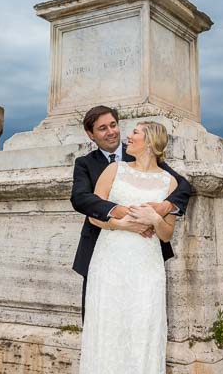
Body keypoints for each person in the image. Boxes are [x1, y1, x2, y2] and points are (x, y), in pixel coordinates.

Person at [71, 118, 180, 374]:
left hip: (146, 268)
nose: (125, 136)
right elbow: (94, 213)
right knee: (109, 346)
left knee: (141, 349)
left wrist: (155, 216)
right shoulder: (114, 169)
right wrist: (125, 223)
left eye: (132, 133)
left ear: (148, 141)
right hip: (110, 263)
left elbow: (167, 233)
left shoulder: (170, 183)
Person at [71, 105, 192, 322]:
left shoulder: (141, 151)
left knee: (140, 317)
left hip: (143, 254)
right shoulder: (85, 163)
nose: (111, 132)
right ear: (91, 135)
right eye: (102, 128)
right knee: (100, 319)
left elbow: (182, 186)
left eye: (113, 125)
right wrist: (117, 212)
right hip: (101, 250)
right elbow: (80, 198)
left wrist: (163, 208)